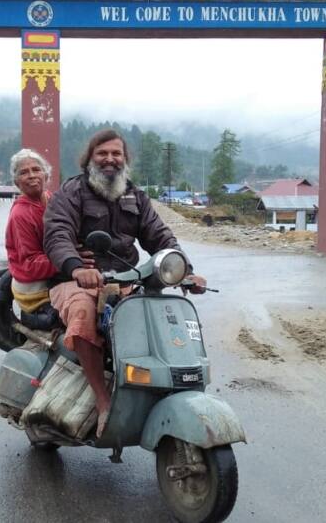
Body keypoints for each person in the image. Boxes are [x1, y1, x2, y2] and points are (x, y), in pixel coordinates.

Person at [44, 129, 207, 437]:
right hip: (77, 280)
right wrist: (76, 267)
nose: (110, 159)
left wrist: (184, 272)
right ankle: (103, 401)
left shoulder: (135, 196)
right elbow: (57, 234)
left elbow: (160, 236)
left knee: (158, 314)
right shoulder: (72, 193)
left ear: (125, 159)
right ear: (90, 158)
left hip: (125, 278)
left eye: (116, 153)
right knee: (83, 313)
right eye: (102, 153)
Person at [5, 149, 60, 314]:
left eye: (36, 169)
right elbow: (30, 264)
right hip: (35, 287)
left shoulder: (52, 199)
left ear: (46, 175)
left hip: (55, 271)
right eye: (24, 172)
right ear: (17, 182)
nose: (31, 175)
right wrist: (69, 260)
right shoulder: (20, 215)